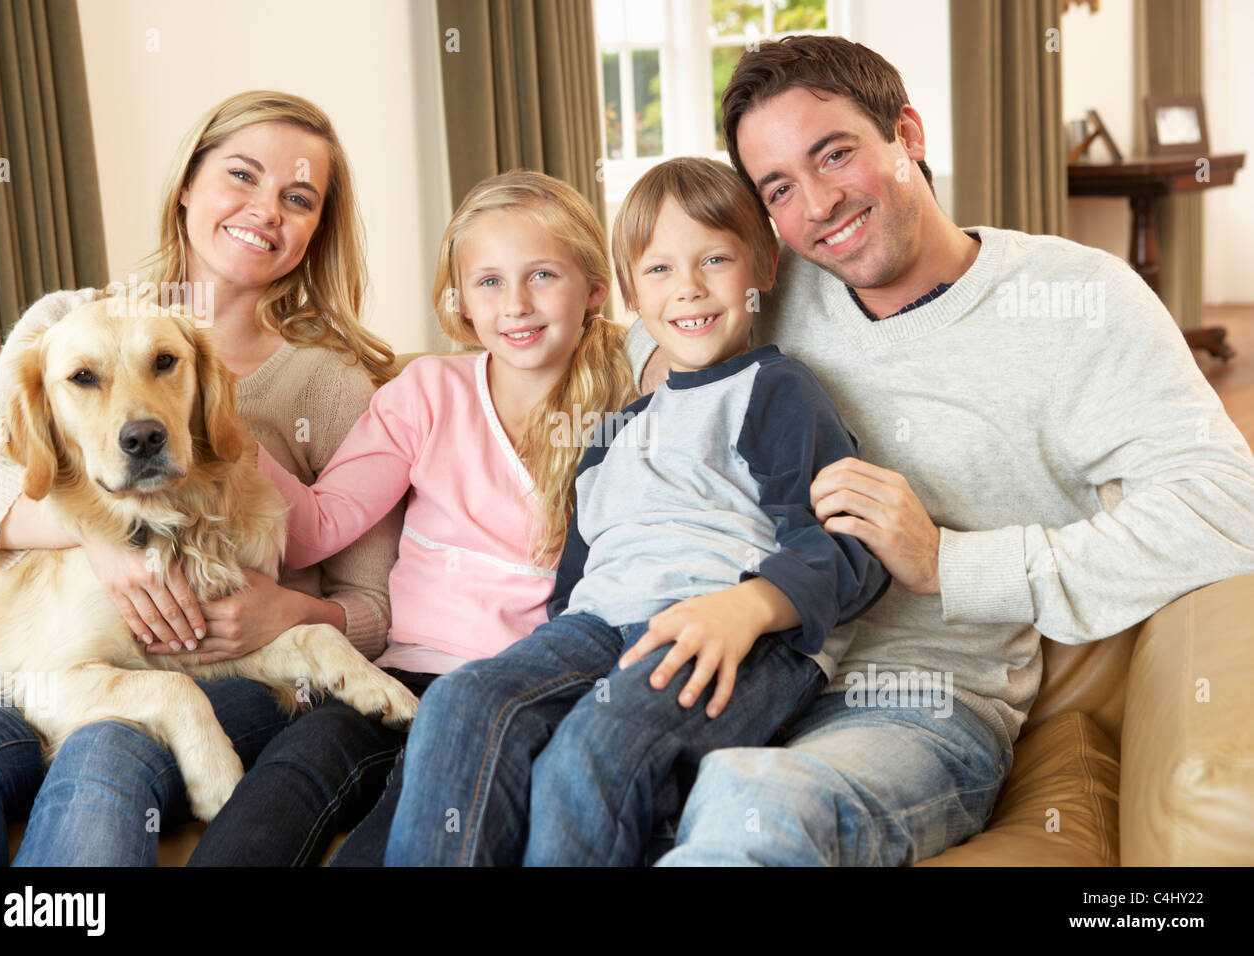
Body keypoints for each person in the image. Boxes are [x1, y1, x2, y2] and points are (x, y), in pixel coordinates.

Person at [622, 36, 1254, 866]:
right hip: (734, 669)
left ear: (908, 134)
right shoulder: (762, 289)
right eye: (779, 187)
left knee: (752, 803)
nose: (816, 204)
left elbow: (1226, 507)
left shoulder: (1077, 302)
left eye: (835, 154)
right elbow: (646, 335)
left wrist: (952, 564)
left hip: (912, 704)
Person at [384, 156, 891, 867]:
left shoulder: (776, 389)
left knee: (589, 753)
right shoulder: (610, 430)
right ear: (627, 290)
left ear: (763, 268)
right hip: (597, 627)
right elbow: (575, 580)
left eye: (714, 259)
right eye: (658, 270)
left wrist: (747, 608)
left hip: (726, 634)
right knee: (462, 703)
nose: (688, 288)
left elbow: (848, 549)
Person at [0, 90, 404, 866]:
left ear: (315, 228)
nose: (266, 209)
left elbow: (375, 607)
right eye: (242, 175)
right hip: (15, 662)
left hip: (218, 667)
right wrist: (102, 541)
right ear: (188, 184)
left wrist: (285, 611)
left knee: (107, 750)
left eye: (298, 197)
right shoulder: (65, 321)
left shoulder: (333, 386)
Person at [210, 169, 635, 866]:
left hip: (511, 694)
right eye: (490, 281)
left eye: (543, 276)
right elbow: (318, 526)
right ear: (460, 299)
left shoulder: (626, 402)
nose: (517, 304)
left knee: (410, 815)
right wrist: (235, 438)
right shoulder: (429, 392)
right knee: (292, 772)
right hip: (398, 673)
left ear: (593, 289)